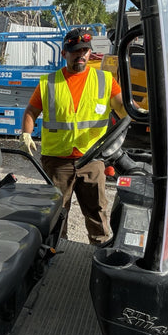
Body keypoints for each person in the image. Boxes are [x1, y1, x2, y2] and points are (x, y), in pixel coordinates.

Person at [19, 28, 125, 245]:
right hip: (57, 161)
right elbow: (31, 111)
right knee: (57, 214)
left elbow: (122, 107)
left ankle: (100, 252)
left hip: (92, 159)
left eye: (85, 50)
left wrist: (137, 113)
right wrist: (26, 134)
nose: (82, 55)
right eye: (76, 50)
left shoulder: (104, 80)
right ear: (64, 53)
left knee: (97, 212)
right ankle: (56, 254)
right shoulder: (49, 83)